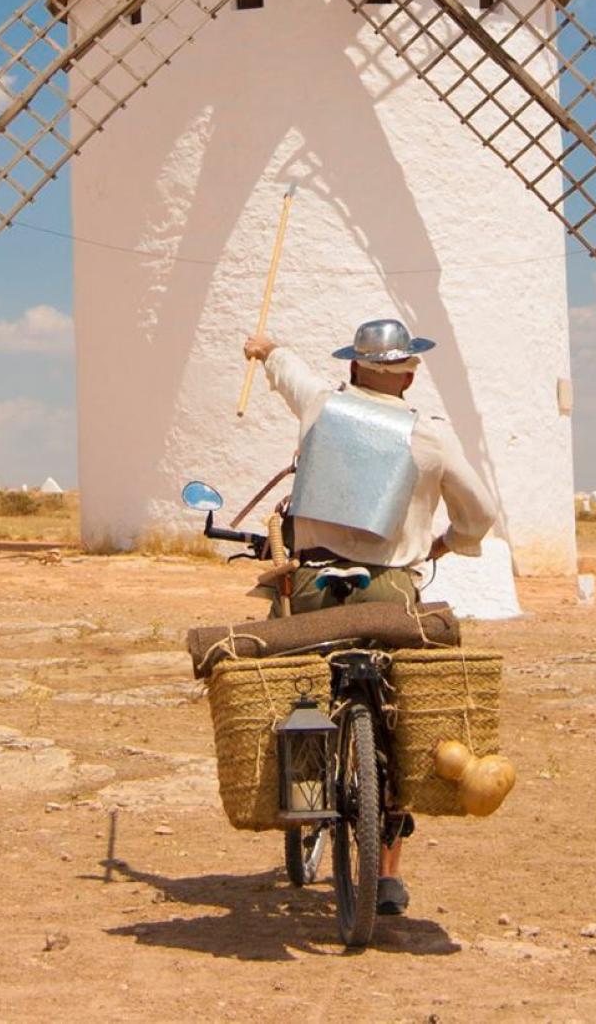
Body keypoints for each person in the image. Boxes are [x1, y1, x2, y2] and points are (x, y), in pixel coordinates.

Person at [242, 316, 500, 916]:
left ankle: (302, 788)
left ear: (353, 365)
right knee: (403, 717)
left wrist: (266, 347)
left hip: (310, 589)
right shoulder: (429, 435)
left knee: (300, 692)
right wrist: (447, 543)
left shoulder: (321, 404)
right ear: (408, 372)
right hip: (389, 595)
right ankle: (385, 875)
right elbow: (481, 512)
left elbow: (289, 372)